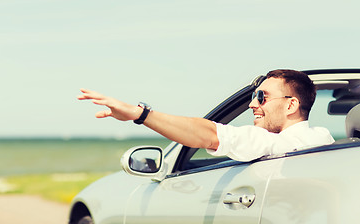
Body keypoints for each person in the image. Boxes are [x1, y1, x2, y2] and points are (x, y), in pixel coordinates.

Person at [77, 69, 334, 161]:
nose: (251, 105)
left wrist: (139, 114)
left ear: (291, 105)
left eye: (261, 97)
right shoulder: (325, 141)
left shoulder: (270, 143)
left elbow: (208, 134)